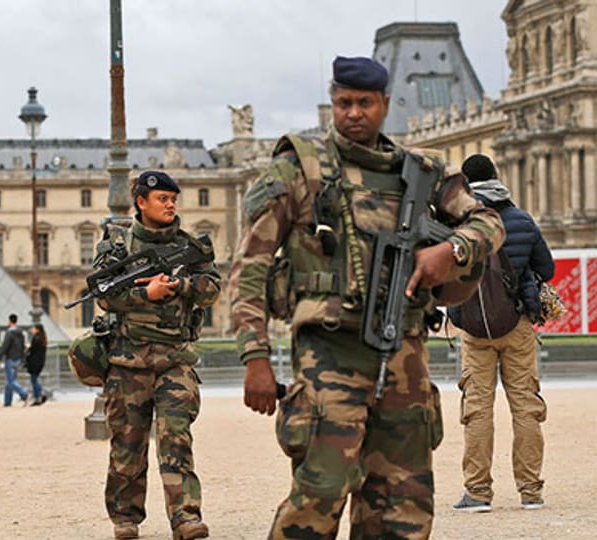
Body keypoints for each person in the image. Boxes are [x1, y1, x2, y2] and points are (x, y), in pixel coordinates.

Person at [228, 56, 505, 539]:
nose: (352, 113)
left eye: (363, 103)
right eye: (343, 103)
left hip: (405, 355)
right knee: (320, 491)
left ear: (384, 105)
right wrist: (254, 356)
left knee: (404, 501)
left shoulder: (421, 172)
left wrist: (451, 248)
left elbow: (489, 221)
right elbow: (248, 267)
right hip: (329, 353)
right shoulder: (298, 169)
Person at [94, 170, 220, 540]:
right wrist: (143, 296)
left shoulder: (191, 247)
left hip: (175, 360)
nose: (170, 205)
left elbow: (212, 289)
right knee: (127, 444)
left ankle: (185, 516)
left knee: (176, 437)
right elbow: (103, 295)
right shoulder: (118, 246)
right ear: (141, 202)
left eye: (172, 199)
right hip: (127, 362)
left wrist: (179, 286)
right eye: (162, 199)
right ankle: (125, 518)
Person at [448, 154, 554, 512]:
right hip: (517, 323)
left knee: (477, 409)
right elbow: (547, 268)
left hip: (474, 326)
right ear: (496, 177)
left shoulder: (457, 221)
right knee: (525, 406)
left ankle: (477, 492)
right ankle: (531, 491)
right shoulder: (521, 219)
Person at [0, 313, 28, 407]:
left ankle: (24, 394)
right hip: (18, 359)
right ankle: (7, 401)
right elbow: (23, 347)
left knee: (10, 381)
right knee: (10, 380)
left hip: (10, 359)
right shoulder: (21, 333)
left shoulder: (9, 333)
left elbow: (5, 346)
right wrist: (22, 358)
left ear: (10, 321)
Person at [24, 324, 48, 406]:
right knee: (34, 379)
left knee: (33, 380)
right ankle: (40, 395)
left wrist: (28, 347)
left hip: (34, 363)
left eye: (33, 328)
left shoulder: (36, 339)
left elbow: (32, 350)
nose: (32, 330)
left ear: (37, 330)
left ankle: (39, 395)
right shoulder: (42, 339)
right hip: (40, 362)